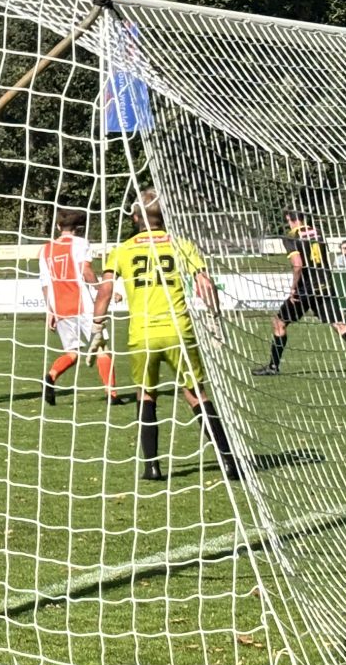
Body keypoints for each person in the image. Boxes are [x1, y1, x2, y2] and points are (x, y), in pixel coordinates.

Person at [92, 190, 239, 483]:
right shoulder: (181, 244)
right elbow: (205, 285)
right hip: (178, 331)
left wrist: (97, 326)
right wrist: (215, 320)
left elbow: (106, 290)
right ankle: (228, 460)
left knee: (146, 393)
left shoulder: (122, 250)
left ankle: (153, 466)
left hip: (142, 334)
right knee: (195, 393)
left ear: (135, 218)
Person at [253, 209, 346, 377]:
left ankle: (273, 366)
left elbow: (298, 264)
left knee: (279, 322)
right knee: (340, 325)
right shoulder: (318, 232)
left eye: (287, 220)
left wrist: (293, 288)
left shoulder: (290, 237)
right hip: (324, 286)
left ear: (290, 219)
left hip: (305, 290)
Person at [40, 207, 124, 406]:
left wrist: (49, 310)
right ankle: (112, 395)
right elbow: (85, 270)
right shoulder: (80, 243)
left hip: (60, 307)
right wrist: (100, 289)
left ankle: (51, 377)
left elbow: (45, 283)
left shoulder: (45, 249)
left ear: (58, 226)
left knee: (72, 353)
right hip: (82, 304)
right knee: (102, 348)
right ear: (77, 227)